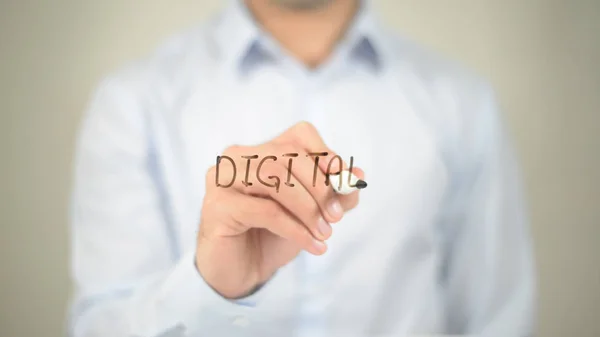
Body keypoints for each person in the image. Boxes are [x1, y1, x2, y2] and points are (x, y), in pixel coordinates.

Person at [67, 0, 537, 336]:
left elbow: (497, 319)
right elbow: (98, 327)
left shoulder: (462, 103)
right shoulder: (133, 102)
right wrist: (209, 287)